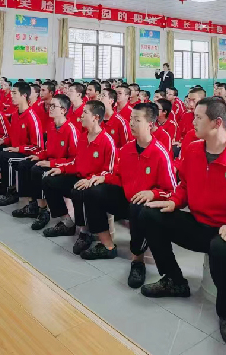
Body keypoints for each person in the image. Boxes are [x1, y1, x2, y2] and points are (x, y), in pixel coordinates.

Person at [138, 98, 226, 321]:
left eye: (198, 117)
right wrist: (175, 201)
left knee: (221, 247)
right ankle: (174, 279)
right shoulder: (194, 149)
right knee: (149, 214)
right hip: (197, 223)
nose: (192, 121)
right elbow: (184, 185)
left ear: (216, 123)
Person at [79, 102, 177, 276]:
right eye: (131, 119)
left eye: (137, 120)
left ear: (150, 124)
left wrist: (152, 193)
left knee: (137, 207)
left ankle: (137, 261)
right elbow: (119, 176)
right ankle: (107, 246)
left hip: (145, 206)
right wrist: (103, 178)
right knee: (92, 192)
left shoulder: (160, 153)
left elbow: (171, 191)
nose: (131, 123)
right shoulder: (126, 150)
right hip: (127, 198)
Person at [42, 100, 116, 255]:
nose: (81, 116)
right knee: (49, 179)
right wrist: (61, 169)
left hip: (96, 183)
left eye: (85, 113)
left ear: (96, 117)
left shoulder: (107, 141)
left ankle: (85, 232)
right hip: (80, 177)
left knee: (79, 191)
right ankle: (67, 222)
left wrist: (91, 180)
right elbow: (76, 163)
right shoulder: (83, 137)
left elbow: (110, 172)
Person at [12, 94, 79, 230]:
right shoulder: (52, 126)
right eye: (50, 105)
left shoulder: (71, 130)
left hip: (65, 168)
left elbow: (75, 160)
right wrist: (39, 156)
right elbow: (48, 151)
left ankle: (51, 214)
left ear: (63, 110)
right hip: (52, 162)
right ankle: (34, 205)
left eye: (54, 106)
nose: (50, 108)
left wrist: (52, 164)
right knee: (25, 164)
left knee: (39, 172)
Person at [0, 82, 44, 205]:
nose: (11, 96)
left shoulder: (32, 117)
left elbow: (38, 147)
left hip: (29, 153)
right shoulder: (15, 115)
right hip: (17, 150)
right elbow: (11, 137)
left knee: (7, 157)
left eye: (14, 93)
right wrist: (2, 141)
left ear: (24, 95)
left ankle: (12, 191)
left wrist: (19, 149)